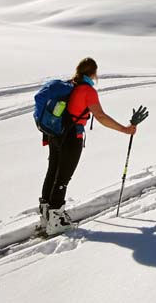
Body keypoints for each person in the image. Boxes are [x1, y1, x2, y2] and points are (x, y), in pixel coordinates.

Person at [40, 57, 137, 235]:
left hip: (55, 134)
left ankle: (46, 215)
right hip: (71, 136)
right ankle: (56, 219)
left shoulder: (70, 85)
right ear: (93, 73)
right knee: (63, 177)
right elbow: (100, 116)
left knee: (53, 171)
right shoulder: (87, 90)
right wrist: (124, 129)